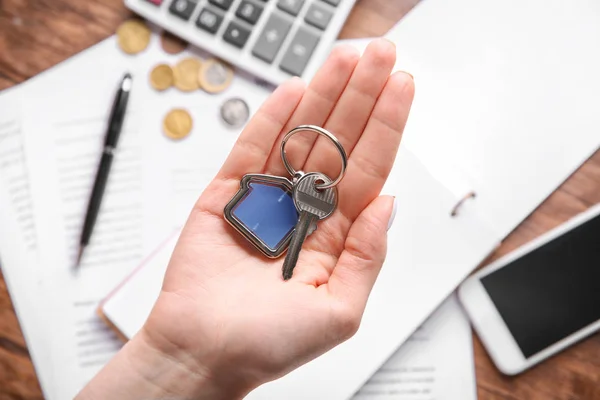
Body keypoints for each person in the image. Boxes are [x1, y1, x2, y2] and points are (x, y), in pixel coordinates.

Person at [76, 38, 414, 400]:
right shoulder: (265, 188)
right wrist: (184, 362)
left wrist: (185, 364)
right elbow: (250, 183)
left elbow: (252, 183)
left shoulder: (273, 192)